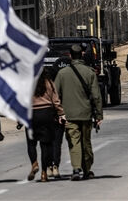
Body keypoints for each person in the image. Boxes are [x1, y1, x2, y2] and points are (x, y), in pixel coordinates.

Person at [54, 45, 103, 181]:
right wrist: (99, 115)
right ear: (81, 55)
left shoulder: (62, 73)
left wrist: (59, 113)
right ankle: (87, 169)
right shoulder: (89, 72)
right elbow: (96, 96)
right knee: (86, 142)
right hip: (86, 113)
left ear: (70, 56)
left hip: (68, 114)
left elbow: (56, 95)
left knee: (74, 141)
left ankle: (76, 168)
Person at [24, 67, 66, 182]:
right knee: (45, 145)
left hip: (31, 115)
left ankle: (34, 163)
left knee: (31, 143)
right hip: (46, 114)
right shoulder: (49, 83)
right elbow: (56, 100)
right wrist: (61, 113)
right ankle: (43, 173)